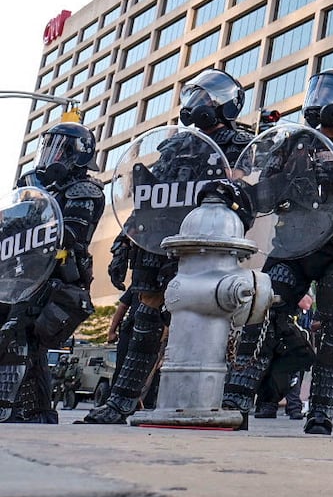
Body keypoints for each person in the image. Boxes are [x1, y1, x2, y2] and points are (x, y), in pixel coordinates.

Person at [84, 70, 254, 424]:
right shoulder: (175, 145)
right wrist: (123, 242)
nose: (198, 104)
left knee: (208, 320)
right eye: (196, 96)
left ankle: (220, 400)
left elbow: (246, 195)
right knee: (144, 320)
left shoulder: (240, 144)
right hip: (158, 242)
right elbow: (148, 198)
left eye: (206, 98)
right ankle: (121, 402)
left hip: (203, 243)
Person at [223, 70, 333, 434]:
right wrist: (236, 189)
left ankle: (320, 410)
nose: (325, 100)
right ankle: (237, 401)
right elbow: (265, 193)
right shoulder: (293, 144)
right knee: (261, 313)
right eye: (320, 91)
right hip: (292, 244)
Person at [0, 123, 105, 423]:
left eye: (61, 149)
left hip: (59, 276)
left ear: (78, 155)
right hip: (22, 275)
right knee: (23, 341)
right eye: (50, 146)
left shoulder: (84, 190)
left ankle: (27, 408)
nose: (52, 155)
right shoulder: (39, 190)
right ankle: (36, 410)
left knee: (19, 336)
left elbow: (72, 232)